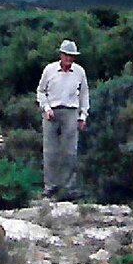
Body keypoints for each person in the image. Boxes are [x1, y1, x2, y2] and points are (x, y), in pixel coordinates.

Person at [36, 39, 89, 199]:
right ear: (61, 55)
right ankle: (50, 187)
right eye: (67, 55)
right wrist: (46, 108)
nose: (69, 59)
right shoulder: (50, 70)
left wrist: (83, 115)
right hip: (52, 111)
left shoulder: (79, 71)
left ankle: (69, 187)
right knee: (50, 150)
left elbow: (85, 94)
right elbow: (40, 91)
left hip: (71, 111)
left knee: (70, 150)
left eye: (72, 56)